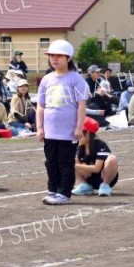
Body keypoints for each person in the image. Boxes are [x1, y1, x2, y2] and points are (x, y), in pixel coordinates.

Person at [37, 40, 89, 205]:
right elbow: (40, 105)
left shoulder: (76, 79)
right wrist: (39, 127)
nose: (54, 59)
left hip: (68, 131)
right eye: (52, 55)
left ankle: (64, 193)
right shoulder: (46, 79)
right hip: (50, 130)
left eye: (59, 55)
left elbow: (81, 105)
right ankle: (53, 190)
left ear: (68, 58)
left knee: (65, 162)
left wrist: (79, 127)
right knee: (50, 162)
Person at [72, 117, 119, 197]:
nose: (76, 135)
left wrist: (73, 166)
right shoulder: (80, 147)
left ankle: (105, 185)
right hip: (90, 177)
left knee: (112, 158)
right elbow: (87, 170)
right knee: (70, 159)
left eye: (79, 133)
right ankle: (85, 185)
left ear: (87, 133)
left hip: (102, 176)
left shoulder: (100, 145)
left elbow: (97, 169)